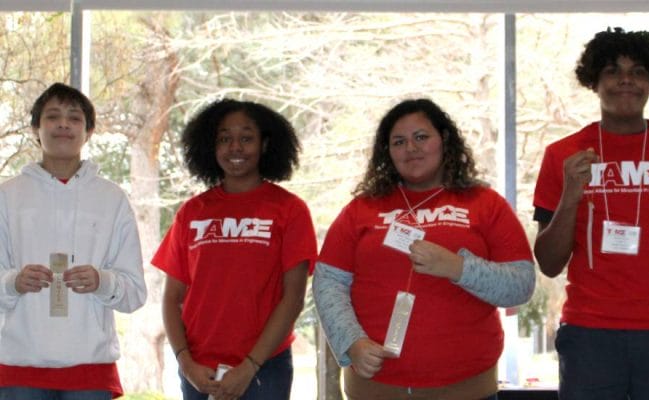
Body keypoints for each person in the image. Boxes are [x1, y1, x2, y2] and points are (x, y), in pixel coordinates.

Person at [532, 28, 649, 400]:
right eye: (612, 71)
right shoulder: (563, 154)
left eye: (638, 71)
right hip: (589, 334)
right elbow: (549, 263)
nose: (625, 80)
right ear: (594, 82)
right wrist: (571, 195)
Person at [313, 98, 535, 400]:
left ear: (444, 140)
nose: (411, 148)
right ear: (387, 152)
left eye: (421, 137)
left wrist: (457, 268)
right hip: (375, 386)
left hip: (466, 387)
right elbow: (328, 282)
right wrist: (351, 342)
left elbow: (521, 285)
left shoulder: (485, 202)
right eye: (399, 141)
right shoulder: (361, 209)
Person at [152, 99, 316, 400]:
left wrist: (250, 366)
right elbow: (171, 298)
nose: (235, 147)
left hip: (265, 367)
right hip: (198, 370)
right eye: (224, 139)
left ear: (265, 144)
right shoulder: (192, 212)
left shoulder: (289, 210)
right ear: (211, 147)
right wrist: (185, 362)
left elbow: (293, 298)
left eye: (246, 138)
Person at [0, 83, 147, 399]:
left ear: (89, 131)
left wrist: (102, 281)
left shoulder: (112, 199)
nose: (63, 124)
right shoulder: (7, 196)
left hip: (90, 370)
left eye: (74, 118)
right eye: (52, 117)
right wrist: (13, 282)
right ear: (36, 129)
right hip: (19, 367)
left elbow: (134, 293)